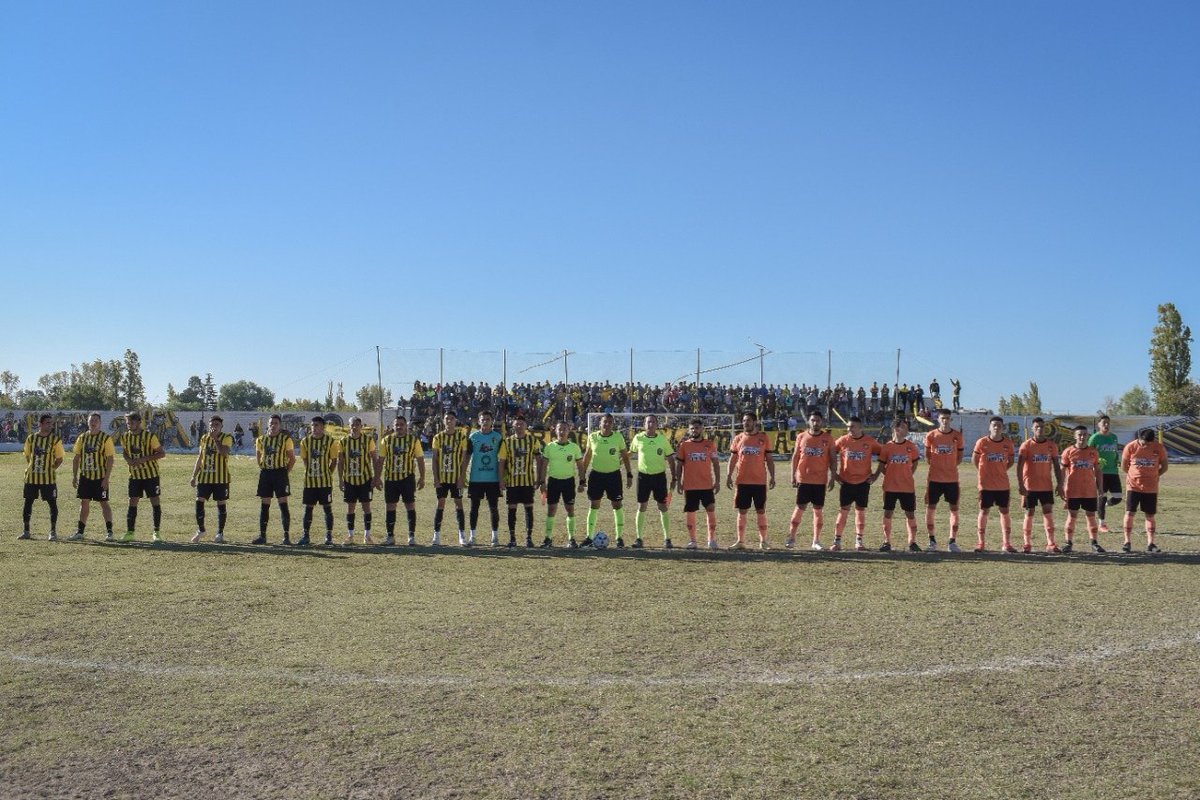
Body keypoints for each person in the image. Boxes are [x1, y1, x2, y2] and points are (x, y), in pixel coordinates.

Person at [580, 412, 633, 547]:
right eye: (605, 421)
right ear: (600, 423)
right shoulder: (593, 437)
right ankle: (589, 537)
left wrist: (629, 474)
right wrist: (582, 475)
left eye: (610, 422)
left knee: (617, 505)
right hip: (596, 476)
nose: (607, 424)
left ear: (613, 424)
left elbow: (625, 456)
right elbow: (587, 455)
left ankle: (619, 538)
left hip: (613, 476)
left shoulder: (618, 437)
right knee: (594, 505)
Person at [787, 410, 837, 550]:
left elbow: (833, 460)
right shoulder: (801, 436)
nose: (815, 423)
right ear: (809, 422)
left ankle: (816, 540)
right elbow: (795, 456)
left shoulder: (828, 438)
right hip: (803, 479)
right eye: (813, 420)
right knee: (800, 507)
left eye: (818, 420)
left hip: (820, 481)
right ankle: (791, 537)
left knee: (818, 510)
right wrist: (793, 475)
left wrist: (833, 477)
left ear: (822, 422)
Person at [726, 412, 775, 550]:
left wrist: (773, 476)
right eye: (743, 421)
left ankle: (763, 541)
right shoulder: (738, 438)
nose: (745, 423)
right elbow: (733, 458)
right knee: (742, 511)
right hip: (742, 481)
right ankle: (740, 541)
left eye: (748, 420)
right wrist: (729, 475)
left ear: (755, 422)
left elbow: (769, 459)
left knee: (761, 510)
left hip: (759, 481)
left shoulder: (764, 438)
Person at [831, 416, 881, 551]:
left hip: (863, 482)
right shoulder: (842, 440)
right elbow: (830, 454)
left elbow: (884, 455)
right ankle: (837, 541)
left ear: (860, 427)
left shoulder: (870, 441)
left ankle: (859, 541)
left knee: (860, 511)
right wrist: (834, 474)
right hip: (846, 482)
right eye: (848, 426)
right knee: (843, 511)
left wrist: (876, 475)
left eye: (852, 426)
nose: (849, 429)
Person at [374, 415, 426, 546]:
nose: (399, 427)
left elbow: (420, 459)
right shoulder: (386, 440)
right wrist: (377, 478)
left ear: (406, 426)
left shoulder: (413, 440)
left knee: (410, 505)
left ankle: (411, 536)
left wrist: (422, 477)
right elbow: (381, 460)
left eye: (401, 424)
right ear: (393, 426)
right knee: (390, 506)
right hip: (391, 479)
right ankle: (390, 536)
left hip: (407, 478)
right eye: (396, 424)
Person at [630, 414, 678, 548]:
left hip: (659, 477)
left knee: (663, 507)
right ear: (644, 424)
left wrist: (674, 477)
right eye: (648, 422)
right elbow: (630, 453)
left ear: (657, 425)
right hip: (643, 477)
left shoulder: (662, 439)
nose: (650, 424)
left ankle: (667, 539)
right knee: (642, 506)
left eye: (653, 422)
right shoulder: (638, 438)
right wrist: (620, 461)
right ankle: (639, 538)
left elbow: (670, 458)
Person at [874, 417, 922, 551]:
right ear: (896, 429)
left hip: (907, 487)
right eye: (904, 427)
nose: (907, 430)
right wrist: (890, 475)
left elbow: (915, 463)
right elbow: (881, 466)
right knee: (888, 513)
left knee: (910, 514)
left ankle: (912, 542)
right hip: (890, 487)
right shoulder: (887, 447)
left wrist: (907, 474)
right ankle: (887, 542)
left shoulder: (911, 447)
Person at [1016, 417, 1063, 553]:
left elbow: (1056, 466)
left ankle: (1051, 543)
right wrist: (1021, 485)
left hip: (1046, 486)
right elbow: (1019, 466)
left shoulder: (1051, 445)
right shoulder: (1026, 445)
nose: (1040, 429)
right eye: (1037, 427)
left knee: (1048, 512)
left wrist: (1060, 484)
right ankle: (1027, 543)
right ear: (1032, 429)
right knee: (1029, 512)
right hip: (1030, 486)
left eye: (1042, 427)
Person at [119, 411, 165, 543]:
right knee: (132, 501)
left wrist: (145, 459)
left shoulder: (149, 436)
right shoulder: (125, 437)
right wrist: (128, 460)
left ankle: (156, 532)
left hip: (151, 475)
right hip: (134, 476)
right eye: (128, 422)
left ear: (139, 422)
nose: (129, 424)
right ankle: (130, 532)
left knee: (155, 501)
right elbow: (125, 452)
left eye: (132, 422)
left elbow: (161, 453)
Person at [675, 418, 721, 550]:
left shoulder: (710, 444)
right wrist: (678, 482)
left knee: (710, 508)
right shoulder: (684, 445)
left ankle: (711, 539)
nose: (694, 430)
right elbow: (679, 465)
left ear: (702, 429)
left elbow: (716, 464)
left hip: (706, 485)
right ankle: (693, 540)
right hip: (690, 485)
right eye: (692, 428)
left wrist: (717, 481)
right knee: (690, 511)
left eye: (697, 428)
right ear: (689, 430)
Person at [1121, 428, 1169, 553]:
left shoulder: (1159, 448)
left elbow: (1164, 466)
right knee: (1130, 512)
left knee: (1150, 515)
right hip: (1133, 486)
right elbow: (1124, 466)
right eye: (1143, 443)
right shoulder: (1130, 447)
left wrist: (1155, 475)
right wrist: (1134, 476)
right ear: (1139, 438)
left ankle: (1151, 543)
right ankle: (1127, 542)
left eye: (1148, 443)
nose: (1145, 445)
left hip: (1151, 487)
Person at [499, 414, 543, 548]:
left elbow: (539, 460)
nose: (519, 426)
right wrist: (501, 480)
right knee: (512, 509)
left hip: (528, 482)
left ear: (526, 426)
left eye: (521, 424)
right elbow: (502, 462)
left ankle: (529, 538)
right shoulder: (507, 442)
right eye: (516, 424)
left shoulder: (532, 440)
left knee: (529, 509)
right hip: (512, 482)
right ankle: (512, 538)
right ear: (513, 426)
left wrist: (538, 479)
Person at [1060, 425, 1105, 553]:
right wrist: (1061, 486)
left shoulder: (1093, 452)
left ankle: (1094, 543)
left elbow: (1097, 471)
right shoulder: (1068, 452)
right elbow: (1062, 470)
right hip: (1073, 490)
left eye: (1084, 434)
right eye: (1079, 434)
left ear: (1087, 436)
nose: (1082, 437)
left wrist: (1100, 488)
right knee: (1072, 516)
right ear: (1075, 436)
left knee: (1091, 516)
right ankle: (1068, 543)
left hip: (1089, 490)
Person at [972, 416, 1015, 552]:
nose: (996, 427)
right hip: (986, 485)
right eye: (994, 425)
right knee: (984, 511)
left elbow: (1011, 461)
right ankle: (981, 543)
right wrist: (982, 471)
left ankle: (1006, 543)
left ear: (1003, 428)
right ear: (990, 427)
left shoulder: (1008, 443)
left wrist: (1002, 470)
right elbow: (975, 459)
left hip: (1003, 484)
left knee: (1005, 511)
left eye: (999, 425)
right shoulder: (982, 442)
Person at [924, 408, 964, 551]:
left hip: (952, 479)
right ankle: (932, 541)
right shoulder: (931, 435)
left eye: (947, 418)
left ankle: (952, 541)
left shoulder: (957, 436)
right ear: (938, 419)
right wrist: (938, 467)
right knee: (931, 508)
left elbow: (959, 458)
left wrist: (949, 467)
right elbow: (927, 456)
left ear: (951, 419)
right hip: (934, 479)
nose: (945, 421)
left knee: (954, 509)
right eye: (943, 418)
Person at [189, 415, 233, 544]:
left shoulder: (227, 437)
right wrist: (193, 476)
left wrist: (216, 440)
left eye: (217, 425)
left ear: (221, 426)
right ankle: (201, 530)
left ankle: (220, 533)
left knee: (221, 504)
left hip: (221, 478)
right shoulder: (204, 438)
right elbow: (200, 457)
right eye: (212, 424)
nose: (214, 427)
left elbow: (224, 452)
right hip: (205, 477)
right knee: (199, 501)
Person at [20, 414, 65, 540]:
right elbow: (28, 456)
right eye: (47, 423)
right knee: (28, 503)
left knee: (52, 504)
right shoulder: (31, 438)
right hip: (31, 477)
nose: (50, 425)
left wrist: (51, 469)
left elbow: (59, 459)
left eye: (51, 423)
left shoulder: (55, 440)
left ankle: (52, 532)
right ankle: (26, 531)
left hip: (48, 478)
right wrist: (34, 467)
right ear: (40, 424)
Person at [72, 412, 115, 541]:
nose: (93, 422)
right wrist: (74, 476)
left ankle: (110, 532)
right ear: (88, 422)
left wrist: (106, 478)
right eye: (91, 420)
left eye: (96, 420)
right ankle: (80, 532)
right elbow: (76, 457)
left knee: (104, 502)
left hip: (100, 477)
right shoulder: (82, 438)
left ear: (100, 423)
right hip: (85, 476)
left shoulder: (105, 438)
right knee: (84, 502)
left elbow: (110, 459)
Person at [541, 420, 586, 547]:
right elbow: (544, 466)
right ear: (555, 430)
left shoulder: (574, 447)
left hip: (568, 482)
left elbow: (580, 465)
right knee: (551, 510)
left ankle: (572, 539)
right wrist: (542, 482)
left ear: (568, 431)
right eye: (559, 429)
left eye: (564, 429)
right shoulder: (550, 447)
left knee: (570, 509)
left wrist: (582, 481)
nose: (562, 432)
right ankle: (548, 538)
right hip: (553, 481)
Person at [253, 413, 296, 545]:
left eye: (276, 423)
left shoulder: (285, 439)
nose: (273, 425)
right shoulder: (261, 439)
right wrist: (264, 468)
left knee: (283, 504)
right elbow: (258, 457)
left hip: (280, 473)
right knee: (264, 505)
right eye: (271, 423)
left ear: (280, 425)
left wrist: (284, 473)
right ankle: (262, 536)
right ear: (268, 424)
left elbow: (292, 459)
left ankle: (286, 536)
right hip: (266, 473)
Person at [299, 415, 341, 547]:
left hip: (325, 482)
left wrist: (327, 473)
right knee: (308, 508)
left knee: (327, 508)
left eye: (316, 425)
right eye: (312, 425)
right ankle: (306, 536)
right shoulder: (305, 441)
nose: (314, 428)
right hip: (310, 482)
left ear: (323, 427)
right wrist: (311, 471)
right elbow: (305, 460)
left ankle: (329, 536)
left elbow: (334, 461)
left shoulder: (330, 441)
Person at [466, 410, 506, 546]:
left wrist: (502, 478)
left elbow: (503, 458)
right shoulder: (473, 437)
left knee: (493, 508)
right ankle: (472, 536)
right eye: (483, 419)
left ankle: (495, 536)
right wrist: (462, 474)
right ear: (479, 421)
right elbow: (467, 456)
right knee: (474, 508)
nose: (485, 422)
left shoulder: (498, 437)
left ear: (492, 421)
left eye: (488, 419)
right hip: (476, 478)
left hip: (493, 479)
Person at [431, 410, 469, 546]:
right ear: (443, 420)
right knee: (440, 503)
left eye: (451, 418)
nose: (449, 421)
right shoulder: (438, 437)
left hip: (456, 478)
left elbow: (464, 459)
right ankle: (436, 535)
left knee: (459, 503)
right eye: (447, 418)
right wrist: (436, 478)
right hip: (442, 478)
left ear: (455, 420)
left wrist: (462, 478)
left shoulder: (461, 437)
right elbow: (435, 459)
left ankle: (462, 535)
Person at [338, 416, 377, 545]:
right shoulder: (343, 441)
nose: (354, 427)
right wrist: (340, 479)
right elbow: (340, 461)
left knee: (366, 507)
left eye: (357, 425)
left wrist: (376, 477)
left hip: (365, 479)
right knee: (350, 508)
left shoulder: (368, 440)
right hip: (349, 480)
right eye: (352, 425)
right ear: (348, 426)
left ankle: (367, 536)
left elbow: (374, 459)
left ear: (361, 426)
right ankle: (350, 535)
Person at [1088, 415, 1122, 533]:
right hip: (1100, 472)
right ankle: (1102, 524)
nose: (1106, 425)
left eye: (1108, 423)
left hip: (1113, 471)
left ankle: (1104, 505)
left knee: (1118, 497)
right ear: (1099, 424)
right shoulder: (1095, 438)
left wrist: (1117, 459)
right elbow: (1088, 453)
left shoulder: (1114, 437)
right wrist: (1095, 463)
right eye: (1104, 423)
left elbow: (1115, 451)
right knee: (1102, 496)